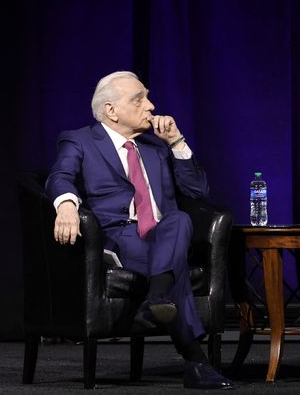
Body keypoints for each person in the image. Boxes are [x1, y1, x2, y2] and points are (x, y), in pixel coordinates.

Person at [46, 71, 233, 390]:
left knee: (180, 220)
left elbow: (197, 190)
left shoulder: (156, 148)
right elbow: (59, 176)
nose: (151, 105)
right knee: (176, 266)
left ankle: (157, 299)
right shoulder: (80, 140)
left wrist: (176, 142)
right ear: (111, 110)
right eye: (139, 99)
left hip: (166, 235)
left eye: (147, 97)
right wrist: (66, 205)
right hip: (120, 237)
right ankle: (196, 360)